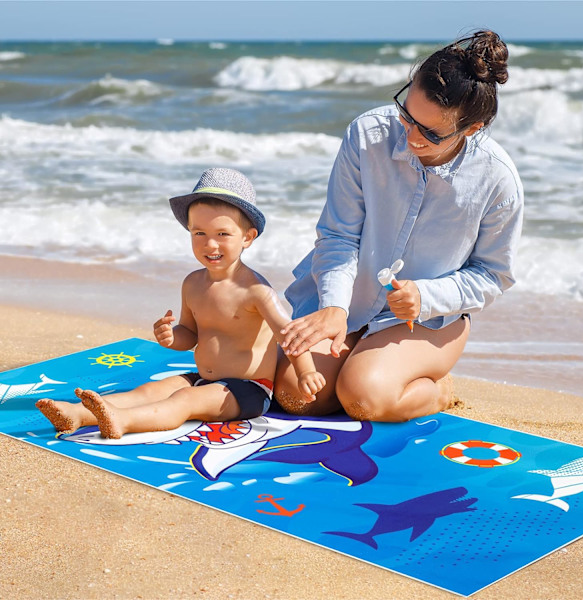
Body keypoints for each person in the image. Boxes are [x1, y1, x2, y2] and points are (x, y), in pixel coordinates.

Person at [274, 30, 524, 423]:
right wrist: (335, 306)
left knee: (363, 398)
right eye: (407, 115)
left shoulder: (497, 180)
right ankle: (365, 364)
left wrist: (426, 296)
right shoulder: (366, 135)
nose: (409, 136)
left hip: (424, 318)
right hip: (349, 299)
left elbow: (493, 275)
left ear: (471, 129)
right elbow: (338, 235)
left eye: (429, 132)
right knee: (297, 395)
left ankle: (437, 388)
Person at [36, 168, 325, 439]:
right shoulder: (193, 283)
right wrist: (172, 337)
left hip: (247, 390)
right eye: (199, 233)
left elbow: (290, 335)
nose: (210, 244)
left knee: (184, 400)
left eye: (222, 234)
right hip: (202, 378)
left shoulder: (256, 291)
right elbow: (190, 334)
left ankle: (124, 421)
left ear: (248, 237)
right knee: (151, 390)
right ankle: (76, 414)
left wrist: (307, 372)